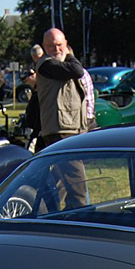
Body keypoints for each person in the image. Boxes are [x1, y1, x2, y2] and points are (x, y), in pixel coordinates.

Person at [36, 28, 89, 207]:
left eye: (60, 45)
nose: (56, 49)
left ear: (65, 42)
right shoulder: (47, 65)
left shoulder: (58, 64)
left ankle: (55, 214)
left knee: (61, 181)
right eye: (51, 46)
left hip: (69, 128)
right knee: (77, 182)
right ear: (44, 47)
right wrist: (69, 53)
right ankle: (80, 218)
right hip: (61, 130)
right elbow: (77, 70)